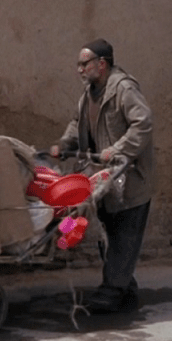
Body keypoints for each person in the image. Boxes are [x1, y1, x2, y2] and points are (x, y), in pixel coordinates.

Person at [50, 38, 155, 313]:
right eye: (78, 65)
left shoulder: (123, 89)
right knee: (110, 235)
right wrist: (64, 145)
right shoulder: (88, 95)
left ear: (102, 64)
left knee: (123, 235)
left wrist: (117, 150)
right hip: (106, 179)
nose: (79, 70)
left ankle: (112, 289)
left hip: (129, 179)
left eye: (84, 64)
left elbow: (142, 124)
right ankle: (124, 287)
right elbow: (77, 124)